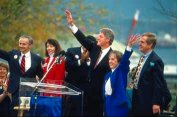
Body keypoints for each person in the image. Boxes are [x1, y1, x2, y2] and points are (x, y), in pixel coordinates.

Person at [65, 10, 114, 116]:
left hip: (101, 95)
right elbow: (82, 39)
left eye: (100, 36)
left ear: (108, 40)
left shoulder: (113, 55)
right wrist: (72, 24)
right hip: (88, 93)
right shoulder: (95, 48)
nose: (97, 38)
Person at [0, 35, 43, 116]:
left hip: (28, 91)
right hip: (14, 91)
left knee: (25, 113)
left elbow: (41, 74)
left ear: (30, 45)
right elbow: (2, 53)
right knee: (14, 112)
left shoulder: (37, 58)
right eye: (20, 43)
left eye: (24, 44)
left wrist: (39, 83)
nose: (21, 46)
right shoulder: (13, 54)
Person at [131, 32, 171, 116]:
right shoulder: (142, 58)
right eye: (140, 42)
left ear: (150, 45)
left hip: (148, 103)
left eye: (142, 42)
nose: (139, 44)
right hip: (137, 100)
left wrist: (156, 103)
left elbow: (159, 84)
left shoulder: (156, 60)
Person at [103, 35, 138, 117]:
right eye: (109, 59)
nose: (110, 61)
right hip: (108, 107)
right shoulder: (107, 75)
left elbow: (124, 61)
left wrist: (128, 47)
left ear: (119, 62)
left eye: (113, 59)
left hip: (119, 107)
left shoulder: (121, 71)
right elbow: (104, 94)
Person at [64, 35, 96, 116]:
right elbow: (67, 66)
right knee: (70, 110)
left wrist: (88, 61)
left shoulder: (95, 55)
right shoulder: (71, 51)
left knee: (84, 110)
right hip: (72, 86)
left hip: (87, 88)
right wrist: (81, 61)